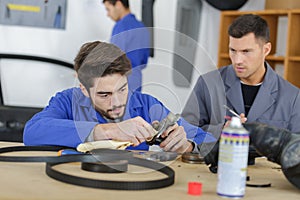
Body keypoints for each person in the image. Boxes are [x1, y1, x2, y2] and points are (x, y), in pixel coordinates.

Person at [23, 41, 215, 153]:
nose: (117, 102)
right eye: (104, 94)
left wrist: (188, 145)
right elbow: (31, 132)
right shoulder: (66, 101)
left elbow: (209, 141)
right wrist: (107, 131)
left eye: (122, 89)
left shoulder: (146, 105)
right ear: (83, 88)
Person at [182, 14, 300, 139]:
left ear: (266, 50)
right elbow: (185, 131)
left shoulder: (292, 97)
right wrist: (221, 130)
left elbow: (296, 149)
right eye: (233, 50)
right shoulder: (208, 83)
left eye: (246, 52)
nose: (238, 60)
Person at [103, 0, 150, 92]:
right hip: (136, 83)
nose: (108, 14)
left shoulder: (121, 26)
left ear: (118, 4)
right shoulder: (142, 27)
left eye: (108, 9)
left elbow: (113, 60)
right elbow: (144, 62)